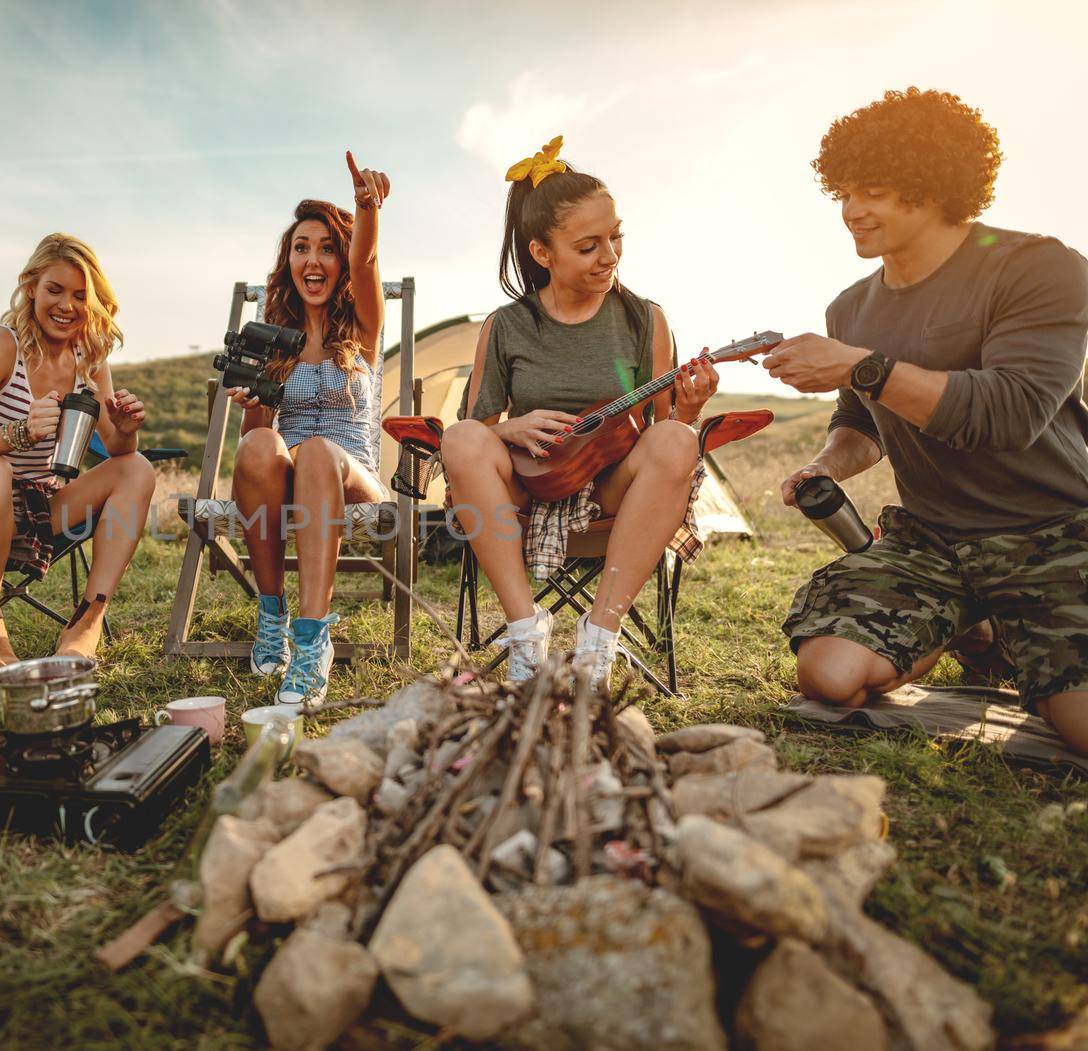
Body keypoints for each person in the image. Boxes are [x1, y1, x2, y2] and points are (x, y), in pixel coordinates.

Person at [767, 87, 1088, 755]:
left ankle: (1012, 634)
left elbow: (1011, 411)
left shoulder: (1038, 267)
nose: (852, 211)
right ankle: (967, 628)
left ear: (933, 185)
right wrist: (826, 463)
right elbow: (861, 422)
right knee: (828, 675)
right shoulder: (849, 308)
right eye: (845, 192)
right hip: (933, 542)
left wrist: (864, 365)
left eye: (874, 191)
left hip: (1055, 535)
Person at [440, 136, 717, 684]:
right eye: (588, 246)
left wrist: (688, 409)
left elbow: (663, 432)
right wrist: (513, 427)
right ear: (543, 253)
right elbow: (478, 429)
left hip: (612, 487)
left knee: (679, 442)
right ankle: (526, 632)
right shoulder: (507, 325)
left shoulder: (644, 320)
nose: (609, 256)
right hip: (527, 485)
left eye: (615, 238)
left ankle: (599, 640)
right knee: (460, 439)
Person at [0, 233, 154, 669]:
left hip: (40, 507)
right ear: (31, 286)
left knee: (137, 468)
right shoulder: (0, 345)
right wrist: (20, 431)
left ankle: (88, 620)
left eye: (80, 296)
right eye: (55, 290)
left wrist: (126, 430)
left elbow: (114, 447)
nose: (66, 306)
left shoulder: (88, 358)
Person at [229, 152, 392, 708]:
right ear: (289, 260)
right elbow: (259, 449)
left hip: (353, 472)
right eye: (302, 247)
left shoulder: (364, 326)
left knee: (320, 452)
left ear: (341, 259)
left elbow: (368, 264)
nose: (314, 259)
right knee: (257, 442)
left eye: (327, 247)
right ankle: (271, 616)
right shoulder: (272, 337)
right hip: (291, 470)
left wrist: (366, 209)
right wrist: (254, 399)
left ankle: (311, 637)